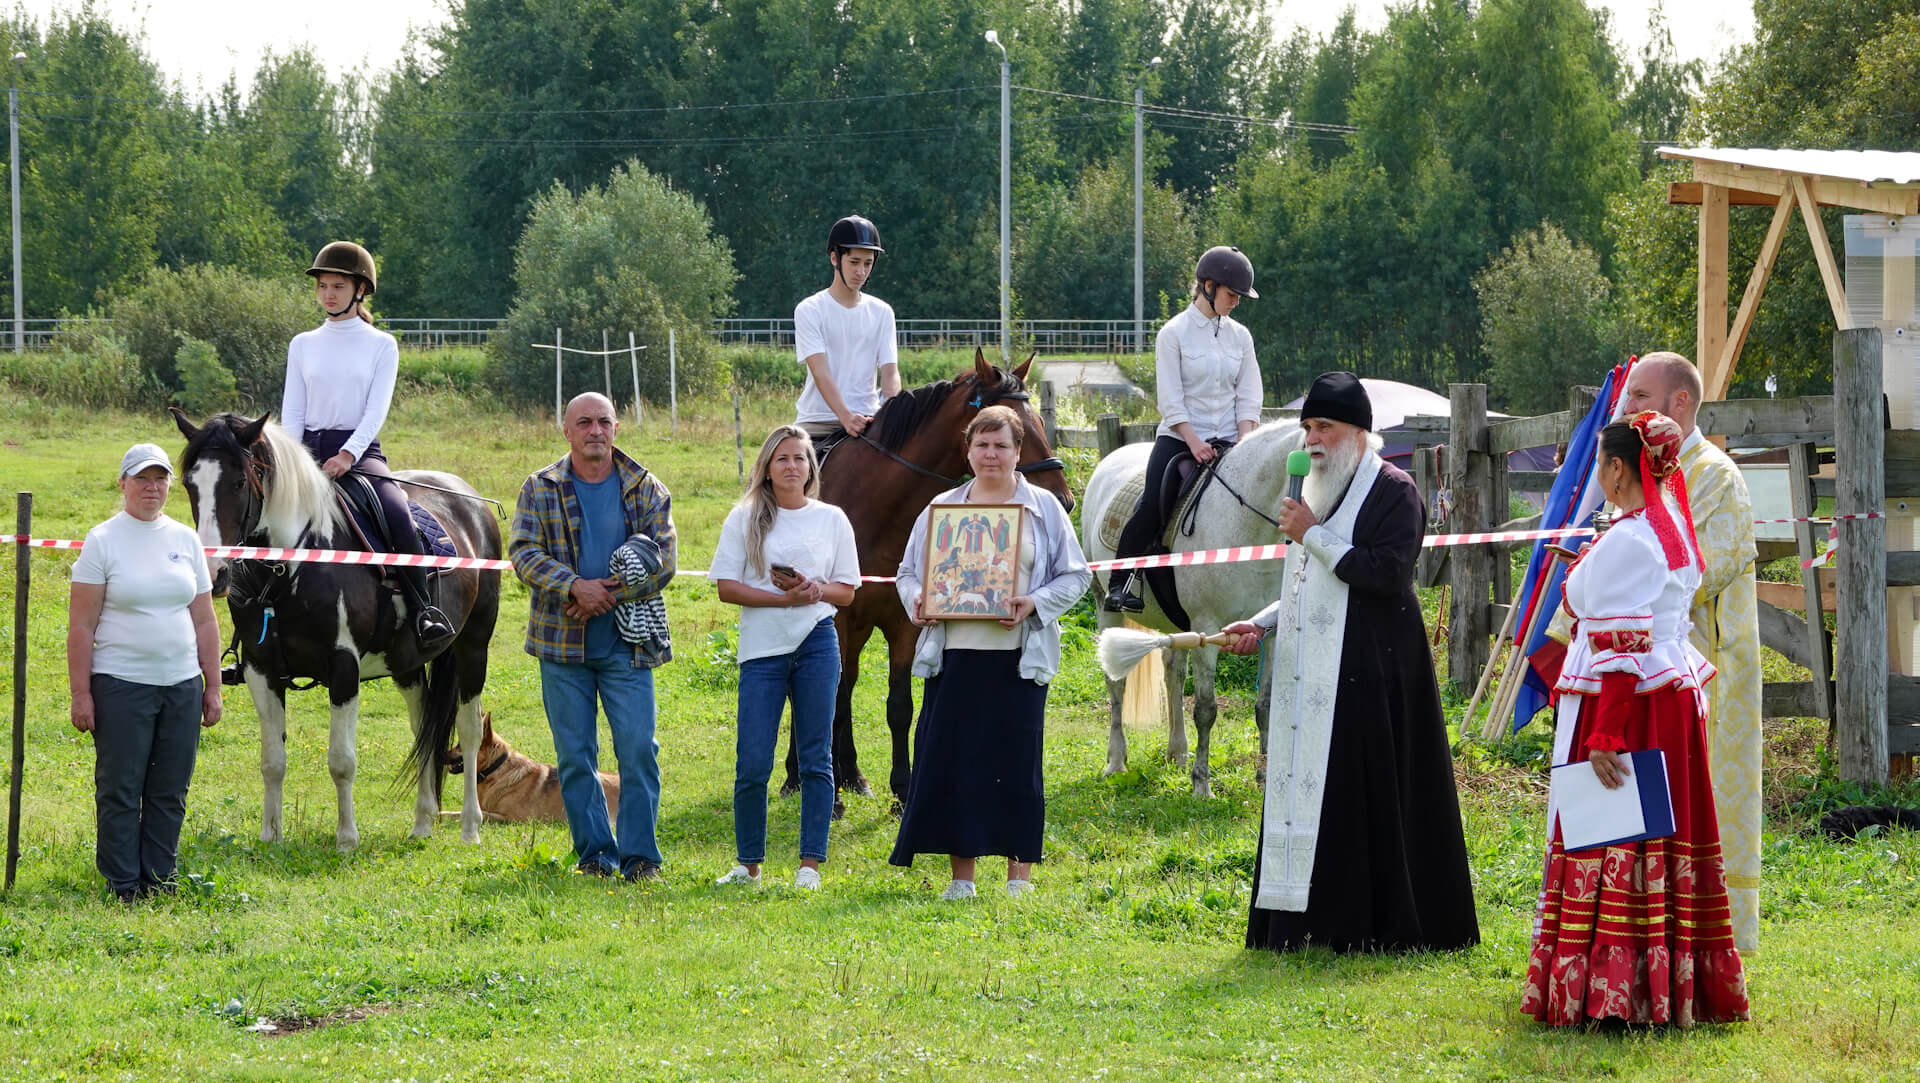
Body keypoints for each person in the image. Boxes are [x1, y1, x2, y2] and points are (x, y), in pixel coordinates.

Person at [1219, 372, 1479, 953]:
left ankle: (1369, 926)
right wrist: (1262, 624)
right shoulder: (1315, 490)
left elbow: (1386, 575)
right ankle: (1306, 925)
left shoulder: (1395, 490)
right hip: (1314, 668)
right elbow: (1310, 580)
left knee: (1370, 789)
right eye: (1308, 427)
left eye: (1324, 427)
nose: (1312, 439)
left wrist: (1312, 533)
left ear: (1358, 432)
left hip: (1378, 664)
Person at [1521, 412, 1750, 1026]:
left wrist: (1604, 734)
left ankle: (1613, 991)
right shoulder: (1668, 523)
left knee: (1612, 829)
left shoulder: (1631, 538)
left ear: (1618, 468)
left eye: (1600, 464)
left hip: (1631, 704)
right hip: (1667, 697)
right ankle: (1662, 983)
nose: (1598, 475)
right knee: (1656, 835)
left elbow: (1621, 644)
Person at [890, 405, 1091, 899]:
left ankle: (1017, 879)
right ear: (968, 450)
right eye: (982, 445)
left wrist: (1033, 603)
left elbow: (1077, 575)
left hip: (1018, 660)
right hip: (955, 656)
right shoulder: (942, 508)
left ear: (1019, 453)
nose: (991, 454)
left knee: (1016, 765)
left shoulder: (1043, 509)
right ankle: (963, 879)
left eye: (1001, 445)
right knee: (956, 765)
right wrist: (918, 600)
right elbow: (908, 573)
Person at [510, 392, 677, 882]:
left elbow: (664, 558)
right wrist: (573, 586)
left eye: (604, 422)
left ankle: (641, 857)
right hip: (561, 646)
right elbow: (523, 551)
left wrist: (607, 592)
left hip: (629, 644)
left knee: (638, 750)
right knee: (575, 756)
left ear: (617, 428)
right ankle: (595, 857)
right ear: (567, 431)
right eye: (584, 423)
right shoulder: (539, 487)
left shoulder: (646, 488)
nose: (595, 431)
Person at [67, 443, 223, 902]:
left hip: (181, 686)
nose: (151, 487)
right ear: (123, 484)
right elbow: (81, 626)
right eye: (141, 478)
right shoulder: (102, 540)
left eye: (160, 479)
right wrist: (82, 694)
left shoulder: (185, 540)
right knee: (121, 787)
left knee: (170, 786)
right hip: (120, 684)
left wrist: (211, 685)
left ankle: (159, 878)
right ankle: (123, 884)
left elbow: (204, 620)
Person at [708, 426, 861, 890]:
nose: (792, 466)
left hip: (817, 641)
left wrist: (815, 591)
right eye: (782, 459)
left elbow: (847, 591)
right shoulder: (744, 517)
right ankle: (748, 864)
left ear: (810, 467)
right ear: (768, 468)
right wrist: (781, 600)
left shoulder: (832, 518)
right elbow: (725, 587)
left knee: (817, 756)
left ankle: (809, 865)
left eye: (799, 458)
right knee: (753, 760)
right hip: (763, 650)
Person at [281, 240, 453, 650]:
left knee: (398, 516)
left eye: (337, 286)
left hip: (358, 454)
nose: (328, 294)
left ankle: (421, 612)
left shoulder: (381, 345)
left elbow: (376, 410)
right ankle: (248, 630)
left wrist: (347, 455)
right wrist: (294, 461)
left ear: (359, 290)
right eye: (322, 286)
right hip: (303, 453)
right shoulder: (302, 344)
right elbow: (292, 411)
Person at [1105, 245, 1263, 612]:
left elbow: (1249, 393)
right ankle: (1120, 582)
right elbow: (1171, 400)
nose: (1235, 302)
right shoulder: (1172, 334)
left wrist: (1244, 440)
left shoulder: (1241, 337)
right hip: (1180, 437)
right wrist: (1192, 442)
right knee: (1153, 504)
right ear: (1207, 286)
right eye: (1231, 294)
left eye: (1239, 296)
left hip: (1229, 437)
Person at [794, 215, 900, 441]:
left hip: (869, 420)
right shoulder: (809, 310)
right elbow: (820, 372)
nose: (861, 271)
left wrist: (892, 412)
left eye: (867, 263)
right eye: (854, 262)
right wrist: (845, 416)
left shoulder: (882, 312)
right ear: (835, 258)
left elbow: (890, 373)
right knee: (774, 470)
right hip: (818, 421)